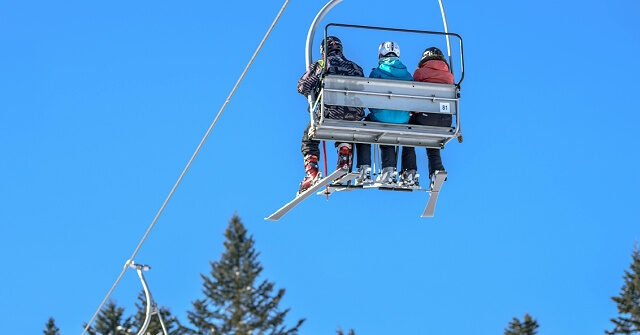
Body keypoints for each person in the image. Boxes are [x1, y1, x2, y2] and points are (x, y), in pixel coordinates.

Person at [297, 36, 365, 193]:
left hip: (329, 113)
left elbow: (302, 87)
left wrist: (314, 89)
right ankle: (344, 161)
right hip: (353, 115)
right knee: (345, 127)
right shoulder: (356, 68)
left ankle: (312, 173)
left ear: (323, 51)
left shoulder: (322, 64)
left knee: (309, 137)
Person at [355, 41, 413, 185]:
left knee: (366, 127)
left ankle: (365, 169)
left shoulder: (377, 73)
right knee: (390, 130)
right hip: (403, 120)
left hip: (381, 118)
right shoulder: (408, 75)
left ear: (380, 54)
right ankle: (389, 170)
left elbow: (368, 97)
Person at [399, 47, 454, 186]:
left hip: (425, 117)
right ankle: (436, 170)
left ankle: (409, 171)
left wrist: (412, 111)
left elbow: (414, 92)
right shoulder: (450, 76)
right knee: (433, 141)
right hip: (446, 119)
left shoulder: (420, 73)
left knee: (407, 135)